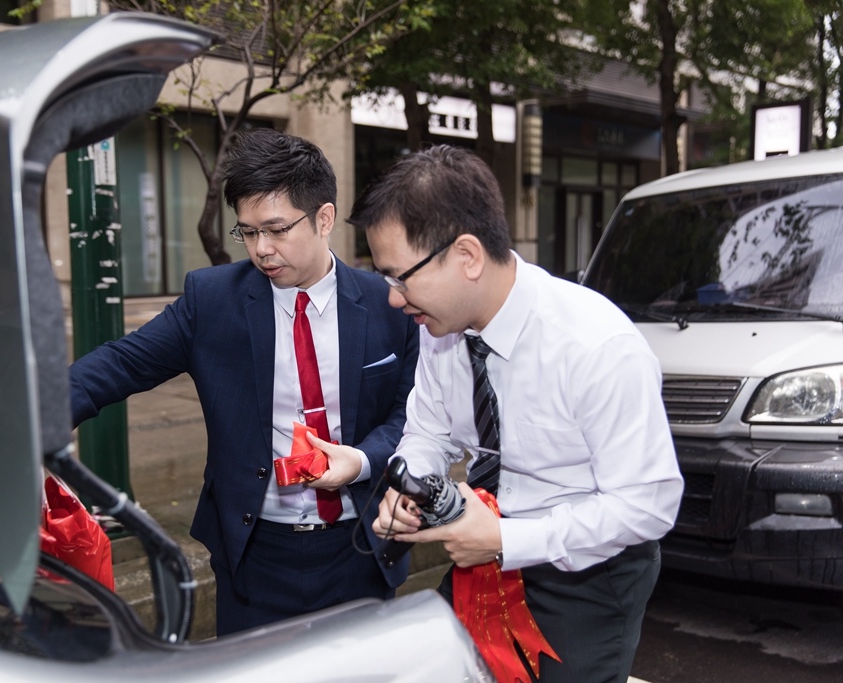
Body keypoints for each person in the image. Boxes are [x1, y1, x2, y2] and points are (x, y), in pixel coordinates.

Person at [350, 144, 683, 682]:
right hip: (481, 549)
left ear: (467, 256)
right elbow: (428, 432)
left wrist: (507, 541)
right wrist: (409, 488)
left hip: (586, 571)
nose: (393, 298)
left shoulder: (597, 346)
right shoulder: (438, 332)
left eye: (398, 277)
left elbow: (647, 505)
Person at [69, 128, 418, 636]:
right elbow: (118, 365)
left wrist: (361, 460)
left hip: (358, 550)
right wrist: (29, 423)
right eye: (248, 232)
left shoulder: (389, 305)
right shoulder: (212, 301)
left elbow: (412, 414)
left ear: (324, 218)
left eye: (276, 230)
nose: (261, 249)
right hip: (254, 555)